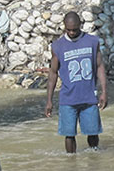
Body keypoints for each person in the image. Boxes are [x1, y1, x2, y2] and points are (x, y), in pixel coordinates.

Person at [44, 12, 107, 154]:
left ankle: (94, 161)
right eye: (68, 30)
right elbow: (53, 73)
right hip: (68, 99)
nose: (72, 33)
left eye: (75, 29)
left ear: (80, 26)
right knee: (69, 134)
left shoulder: (92, 41)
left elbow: (100, 66)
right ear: (64, 27)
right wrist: (49, 100)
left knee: (93, 132)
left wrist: (104, 91)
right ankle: (71, 164)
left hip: (89, 97)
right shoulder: (57, 46)